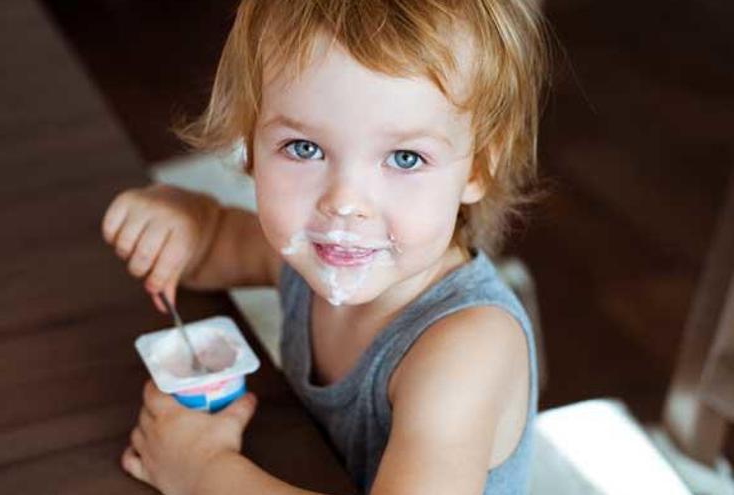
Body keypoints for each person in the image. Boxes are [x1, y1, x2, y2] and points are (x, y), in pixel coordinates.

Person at [102, 0, 550, 493]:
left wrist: (202, 472)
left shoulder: (466, 349)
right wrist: (184, 223)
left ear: (477, 168)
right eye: (304, 148)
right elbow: (214, 244)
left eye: (404, 157)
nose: (343, 204)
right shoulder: (307, 259)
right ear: (251, 146)